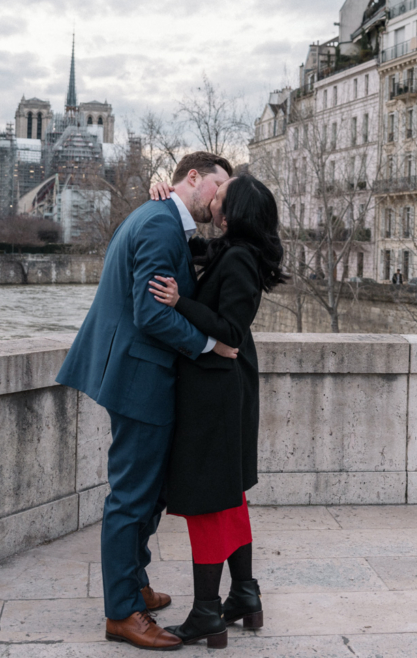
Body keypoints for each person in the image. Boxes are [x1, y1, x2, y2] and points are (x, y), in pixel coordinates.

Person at [56, 152, 235, 650]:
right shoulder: (159, 224)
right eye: (217, 188)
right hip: (139, 377)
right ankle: (122, 613)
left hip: (138, 373)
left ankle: (132, 584)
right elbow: (151, 313)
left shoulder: (159, 217)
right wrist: (209, 345)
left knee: (147, 492)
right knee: (132, 497)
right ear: (192, 178)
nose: (219, 200)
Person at [145, 173, 288, 647]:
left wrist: (180, 301)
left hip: (218, 395)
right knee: (229, 498)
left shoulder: (242, 260)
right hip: (222, 390)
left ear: (236, 210)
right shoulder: (232, 251)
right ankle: (244, 594)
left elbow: (229, 329)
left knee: (208, 500)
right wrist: (163, 197)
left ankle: (207, 610)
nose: (212, 202)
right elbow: (189, 245)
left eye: (221, 198)